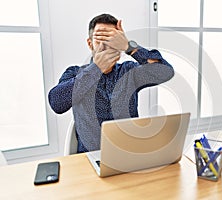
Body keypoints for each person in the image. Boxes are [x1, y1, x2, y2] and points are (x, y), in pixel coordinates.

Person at [48, 13, 174, 153]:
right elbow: (56, 102)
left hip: (130, 155)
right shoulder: (75, 73)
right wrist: (96, 70)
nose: (107, 45)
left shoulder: (128, 71)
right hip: (91, 158)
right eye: (101, 39)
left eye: (112, 39)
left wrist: (129, 46)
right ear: (90, 44)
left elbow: (165, 71)